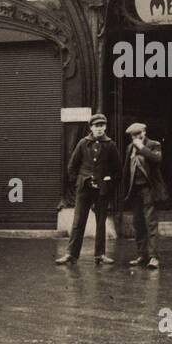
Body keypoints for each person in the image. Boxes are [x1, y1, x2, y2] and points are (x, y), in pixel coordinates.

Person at [56, 113, 119, 264]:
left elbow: (117, 170)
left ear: (105, 127)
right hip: (84, 189)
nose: (99, 129)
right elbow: (72, 166)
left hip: (101, 190)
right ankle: (71, 254)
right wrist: (79, 181)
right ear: (91, 127)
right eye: (96, 126)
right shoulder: (83, 143)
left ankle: (100, 255)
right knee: (78, 221)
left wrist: (108, 180)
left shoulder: (111, 145)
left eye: (102, 126)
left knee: (101, 222)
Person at [123, 122, 167, 269]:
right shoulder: (129, 148)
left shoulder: (154, 145)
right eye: (133, 135)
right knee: (138, 223)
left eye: (138, 134)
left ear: (144, 132)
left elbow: (157, 159)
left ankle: (154, 257)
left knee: (151, 224)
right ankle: (142, 255)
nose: (136, 137)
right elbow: (126, 170)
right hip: (135, 191)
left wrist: (141, 147)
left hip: (149, 190)